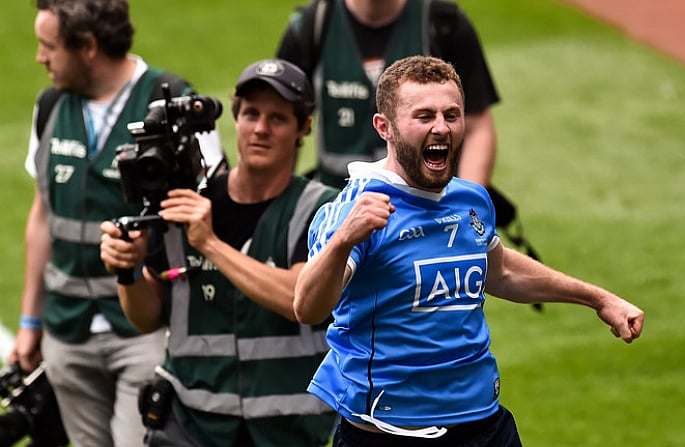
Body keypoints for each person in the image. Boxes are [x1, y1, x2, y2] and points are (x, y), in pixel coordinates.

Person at [293, 55, 645, 446]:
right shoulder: (358, 208)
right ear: (385, 127)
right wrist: (343, 240)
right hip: (389, 432)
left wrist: (598, 299)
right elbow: (308, 307)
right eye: (424, 116)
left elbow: (502, 271)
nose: (441, 128)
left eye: (452, 114)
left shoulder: (470, 199)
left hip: (484, 426)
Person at [7, 1, 226, 446]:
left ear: (87, 46)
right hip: (67, 334)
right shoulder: (49, 106)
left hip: (144, 331)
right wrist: (31, 322)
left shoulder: (175, 103)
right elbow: (42, 215)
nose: (39, 57)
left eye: (49, 46)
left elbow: (214, 212)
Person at [98, 58, 339, 447]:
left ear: (304, 129)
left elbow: (300, 298)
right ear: (236, 117)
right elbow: (147, 317)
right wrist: (127, 270)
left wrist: (210, 244)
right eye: (251, 114)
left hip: (286, 430)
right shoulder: (184, 203)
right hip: (191, 426)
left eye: (277, 119)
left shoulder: (321, 210)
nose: (260, 129)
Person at [276, 0, 499, 190]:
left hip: (427, 210)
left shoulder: (444, 24)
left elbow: (476, 127)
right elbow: (282, 124)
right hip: (334, 203)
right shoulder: (312, 25)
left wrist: (467, 206)